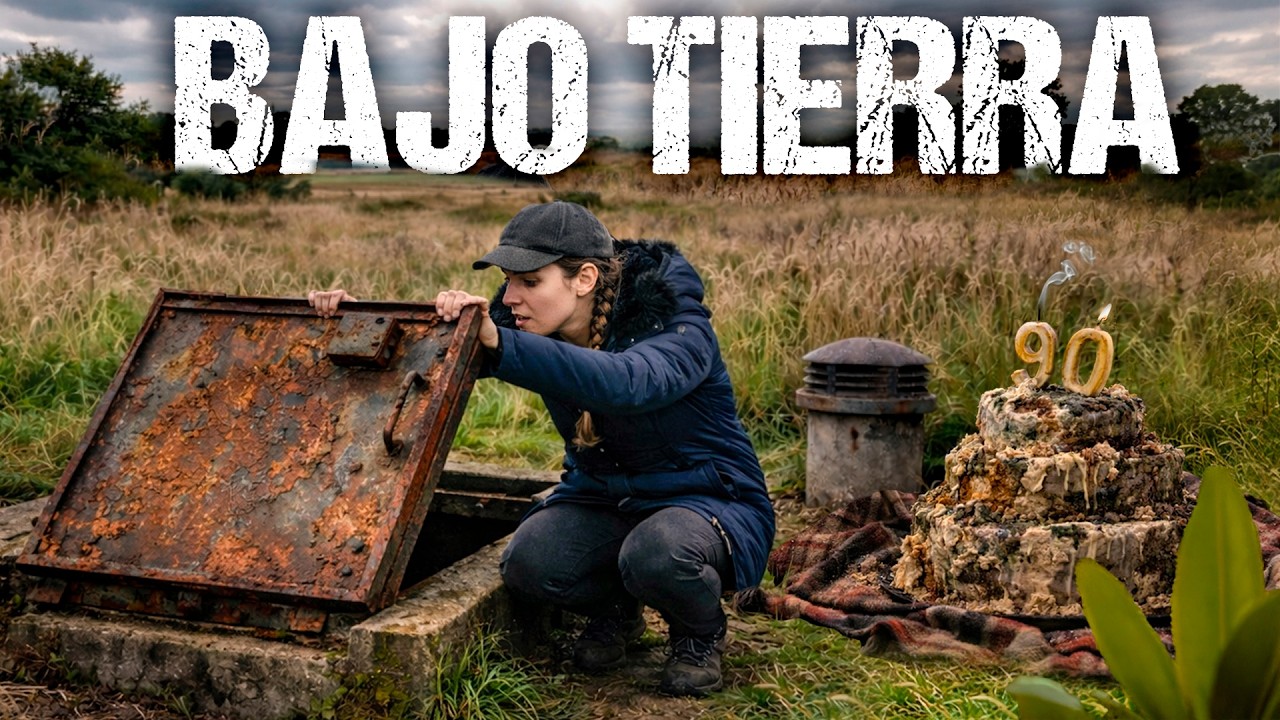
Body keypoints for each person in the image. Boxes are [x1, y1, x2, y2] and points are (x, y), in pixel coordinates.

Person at [309, 201, 775, 697]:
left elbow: (628, 383)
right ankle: (617, 610)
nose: (510, 298)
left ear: (585, 278)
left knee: (657, 554)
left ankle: (699, 634)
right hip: (605, 497)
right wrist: (355, 317)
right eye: (509, 280)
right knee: (531, 564)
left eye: (530, 282)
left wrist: (498, 342)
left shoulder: (678, 324)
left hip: (710, 499)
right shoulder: (527, 324)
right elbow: (423, 354)